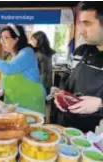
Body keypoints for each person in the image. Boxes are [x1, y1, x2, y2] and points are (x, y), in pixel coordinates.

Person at [54, 2, 103, 132]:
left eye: (87, 24)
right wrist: (59, 95)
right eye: (80, 24)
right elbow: (65, 79)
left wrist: (100, 104)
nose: (81, 31)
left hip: (95, 136)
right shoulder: (80, 52)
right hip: (68, 126)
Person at [0, 23, 45, 114]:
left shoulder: (27, 53)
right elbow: (7, 77)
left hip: (30, 104)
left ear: (16, 39)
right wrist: (1, 90)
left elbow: (8, 69)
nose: (1, 41)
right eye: (1, 38)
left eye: (5, 38)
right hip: (15, 106)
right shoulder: (10, 57)